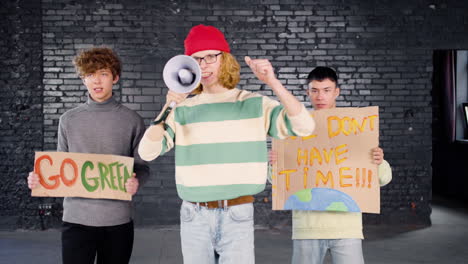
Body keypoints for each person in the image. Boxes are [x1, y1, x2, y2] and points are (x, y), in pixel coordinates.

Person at [138, 24, 315, 264]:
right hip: (194, 216)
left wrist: (273, 82)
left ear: (225, 59)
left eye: (210, 56)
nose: (203, 65)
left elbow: (305, 126)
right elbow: (147, 152)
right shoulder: (182, 109)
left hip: (237, 214)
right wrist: (168, 105)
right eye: (196, 59)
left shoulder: (255, 104)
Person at [27, 47, 149, 264]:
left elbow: (142, 167)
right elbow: (60, 166)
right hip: (76, 219)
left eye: (103, 73)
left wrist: (136, 181)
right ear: (83, 80)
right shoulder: (68, 120)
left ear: (115, 77)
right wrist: (40, 178)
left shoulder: (132, 120)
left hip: (117, 220)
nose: (97, 81)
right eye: (90, 75)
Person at [270, 66, 392, 264]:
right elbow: (276, 180)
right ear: (307, 92)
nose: (321, 96)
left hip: (347, 227)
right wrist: (275, 163)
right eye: (315, 90)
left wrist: (378, 161)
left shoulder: (355, 129)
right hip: (307, 227)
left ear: (337, 92)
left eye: (327, 90)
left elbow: (384, 179)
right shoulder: (294, 127)